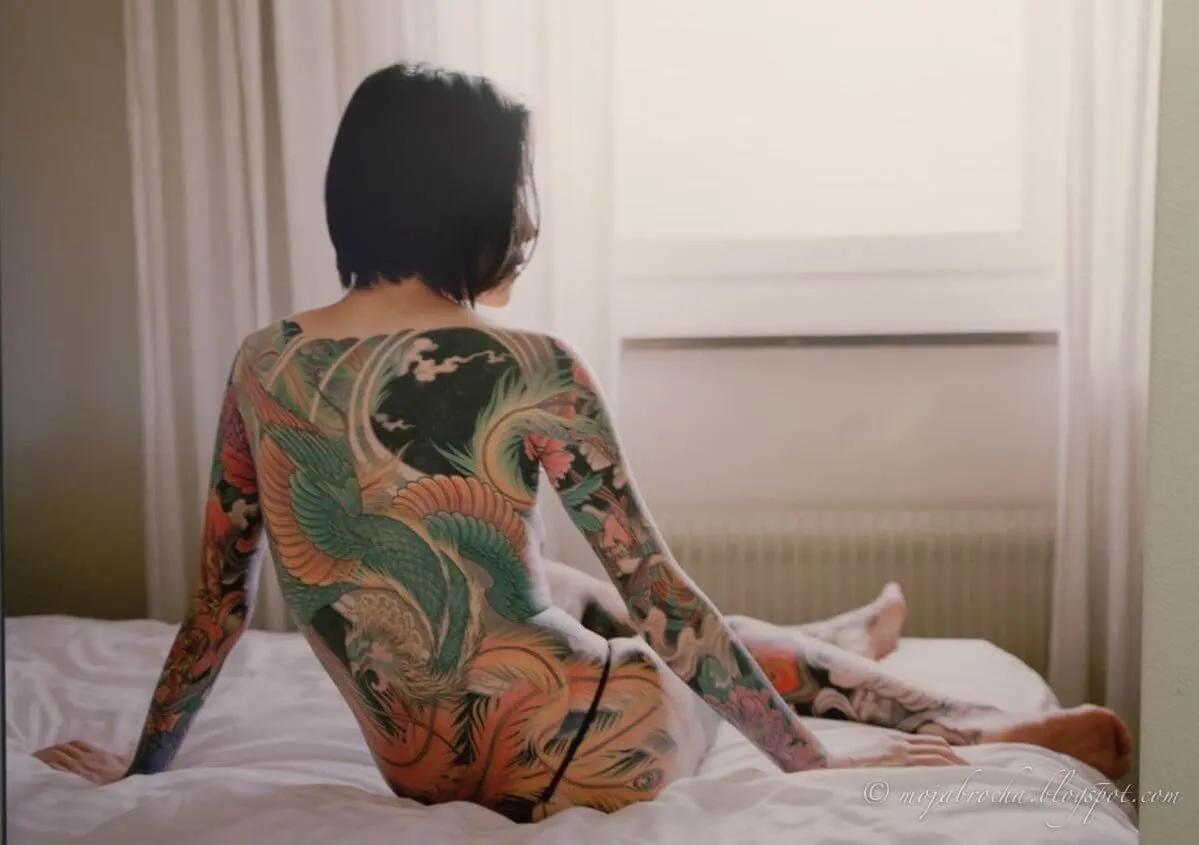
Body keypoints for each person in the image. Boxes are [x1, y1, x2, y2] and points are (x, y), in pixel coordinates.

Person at [35, 63, 1132, 822]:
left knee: (552, 582)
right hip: (601, 744)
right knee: (643, 616)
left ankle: (828, 640)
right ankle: (973, 728)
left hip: (429, 777)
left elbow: (216, 611)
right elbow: (663, 604)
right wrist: (812, 765)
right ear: (475, 200)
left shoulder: (259, 362)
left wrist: (139, 766)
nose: (531, 217)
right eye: (519, 189)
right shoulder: (532, 367)